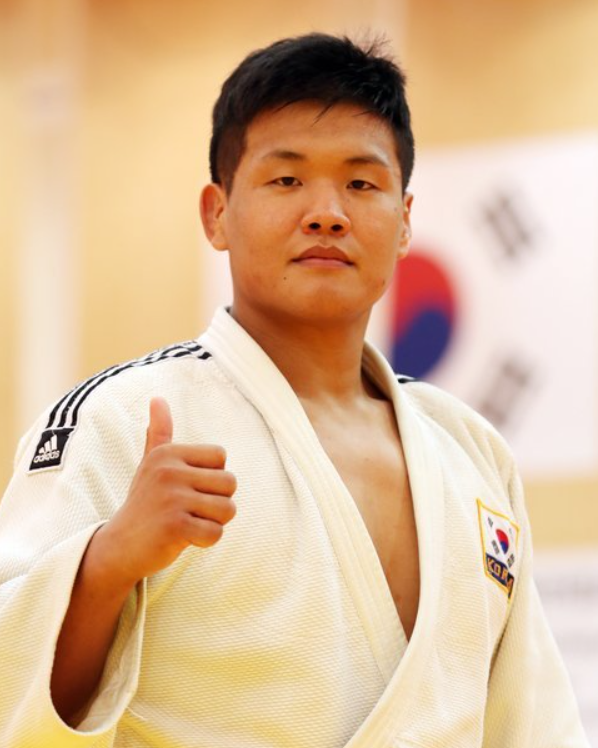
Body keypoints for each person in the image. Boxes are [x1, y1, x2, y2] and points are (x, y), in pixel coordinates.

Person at [0, 32, 589, 748]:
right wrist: (107, 563)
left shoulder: (471, 451)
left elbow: (533, 724)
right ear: (217, 213)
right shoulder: (120, 421)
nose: (327, 212)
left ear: (405, 221)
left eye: (362, 184)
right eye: (286, 180)